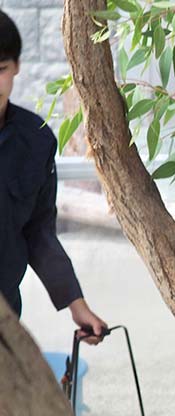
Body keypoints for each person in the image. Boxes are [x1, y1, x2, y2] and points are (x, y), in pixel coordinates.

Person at [0, 9, 107, 345]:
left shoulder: (36, 140)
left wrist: (75, 303)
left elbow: (38, 231)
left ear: (16, 66)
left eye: (0, 69)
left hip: (5, 321)